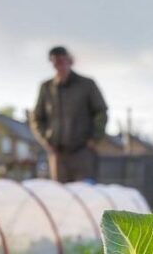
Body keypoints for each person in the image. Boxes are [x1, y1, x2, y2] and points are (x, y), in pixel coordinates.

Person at [30, 45, 108, 182]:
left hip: (82, 152)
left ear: (69, 60)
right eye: (56, 61)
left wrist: (94, 138)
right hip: (57, 154)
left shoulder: (86, 85)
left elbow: (100, 111)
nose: (60, 64)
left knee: (85, 195)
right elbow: (36, 117)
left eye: (62, 59)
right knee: (62, 198)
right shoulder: (47, 88)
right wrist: (45, 139)